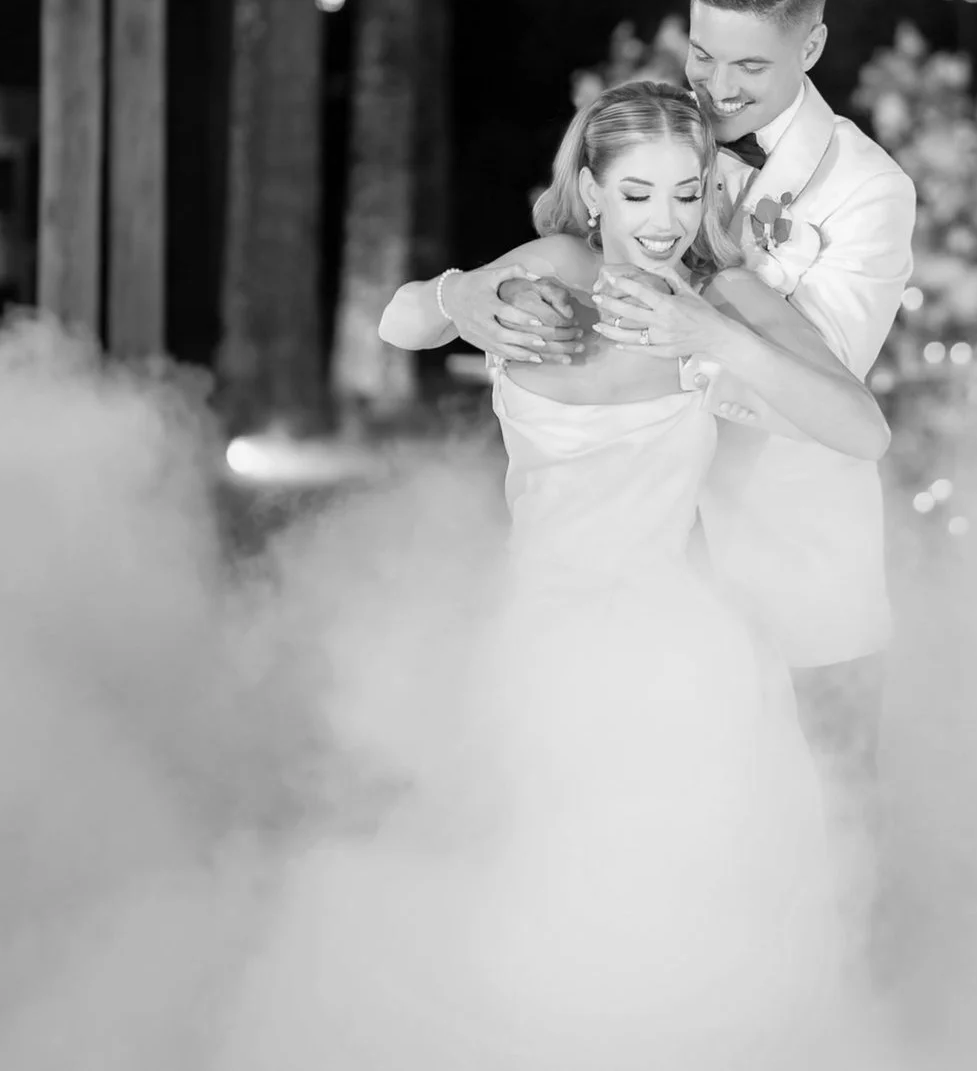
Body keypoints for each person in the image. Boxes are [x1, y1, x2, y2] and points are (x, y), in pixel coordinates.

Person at [359, 78, 893, 1066]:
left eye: (686, 193)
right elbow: (397, 324)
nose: (663, 219)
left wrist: (715, 339)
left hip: (674, 649)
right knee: (540, 905)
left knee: (682, 918)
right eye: (638, 193)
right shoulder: (552, 267)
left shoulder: (724, 294)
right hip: (541, 632)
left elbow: (861, 428)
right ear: (593, 191)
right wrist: (457, 296)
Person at [434, 0, 917, 807]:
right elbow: (574, 242)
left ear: (809, 46)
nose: (718, 88)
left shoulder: (868, 188)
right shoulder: (658, 129)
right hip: (642, 569)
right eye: (703, 55)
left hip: (791, 566)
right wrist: (462, 292)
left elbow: (829, 389)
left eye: (749, 68)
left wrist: (697, 332)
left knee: (829, 834)